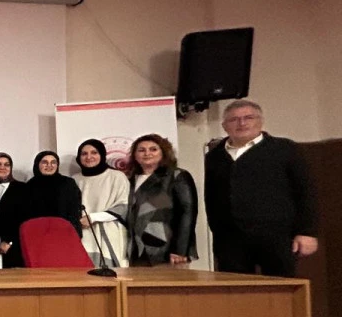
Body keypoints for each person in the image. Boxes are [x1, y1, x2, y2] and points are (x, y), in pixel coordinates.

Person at [204, 99, 317, 277]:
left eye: (248, 117)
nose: (242, 123)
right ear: (224, 126)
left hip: (277, 236)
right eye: (234, 119)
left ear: (261, 121)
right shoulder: (214, 156)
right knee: (236, 289)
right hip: (230, 240)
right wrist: (217, 232)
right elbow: (211, 197)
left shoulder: (284, 149)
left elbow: (305, 192)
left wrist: (306, 232)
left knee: (280, 287)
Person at [124, 134, 198, 266]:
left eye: (153, 149)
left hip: (165, 250)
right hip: (134, 250)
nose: (147, 153)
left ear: (163, 152)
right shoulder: (128, 180)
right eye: (141, 150)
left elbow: (187, 213)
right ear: (134, 155)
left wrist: (180, 250)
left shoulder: (176, 176)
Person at [73, 138, 130, 268]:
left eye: (94, 152)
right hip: (82, 233)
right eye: (84, 154)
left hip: (109, 232)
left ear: (102, 155)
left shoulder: (117, 177)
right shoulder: (74, 180)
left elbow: (123, 206)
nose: (89, 157)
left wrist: (93, 217)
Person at [22, 151, 82, 234]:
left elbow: (74, 211)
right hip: (37, 234)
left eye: (53, 162)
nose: (49, 165)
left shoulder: (68, 183)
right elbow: (25, 216)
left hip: (64, 233)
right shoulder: (29, 186)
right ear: (37, 164)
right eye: (44, 162)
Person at [0, 152, 27, 268]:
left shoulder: (22, 188)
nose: (2, 167)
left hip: (13, 245)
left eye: (7, 164)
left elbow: (24, 218)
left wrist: (10, 241)